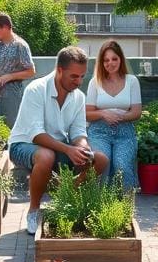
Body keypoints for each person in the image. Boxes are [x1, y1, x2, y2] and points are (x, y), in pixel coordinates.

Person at [8, 46, 109, 235]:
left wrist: (82, 149)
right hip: (23, 144)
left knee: (100, 159)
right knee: (46, 156)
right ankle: (34, 210)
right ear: (60, 70)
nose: (79, 81)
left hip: (58, 147)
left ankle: (66, 192)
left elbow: (78, 132)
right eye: (74, 76)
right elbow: (36, 134)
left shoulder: (79, 97)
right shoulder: (36, 89)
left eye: (82, 76)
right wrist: (69, 150)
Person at [85, 41, 142, 190]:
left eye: (114, 59)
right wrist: (103, 114)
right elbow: (87, 114)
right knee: (104, 164)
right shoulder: (94, 83)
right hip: (99, 132)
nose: (110, 63)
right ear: (102, 63)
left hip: (124, 133)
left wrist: (117, 117)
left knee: (122, 167)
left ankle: (126, 207)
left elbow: (136, 112)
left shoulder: (132, 81)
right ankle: (100, 206)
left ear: (121, 59)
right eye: (106, 60)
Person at [0, 13, 35, 128]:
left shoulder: (20, 46)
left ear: (7, 27)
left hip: (12, 92)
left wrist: (9, 77)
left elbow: (31, 72)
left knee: (11, 126)